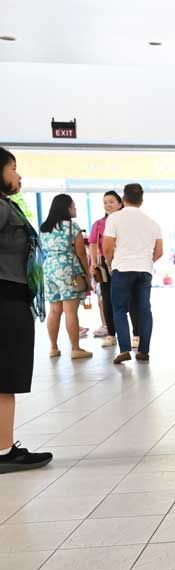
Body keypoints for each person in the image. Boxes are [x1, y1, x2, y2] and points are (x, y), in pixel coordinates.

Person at [0, 147, 53, 473]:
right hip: (6, 298)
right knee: (6, 376)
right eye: (13, 168)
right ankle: (4, 451)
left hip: (10, 296)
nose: (18, 176)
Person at [104, 183, 163, 364]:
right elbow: (159, 251)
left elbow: (107, 247)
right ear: (141, 200)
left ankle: (124, 349)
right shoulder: (152, 223)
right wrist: (145, 262)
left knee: (120, 309)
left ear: (123, 199)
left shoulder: (114, 219)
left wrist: (110, 262)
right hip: (144, 271)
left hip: (122, 269)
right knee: (144, 309)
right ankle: (144, 351)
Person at [39, 194, 93, 359]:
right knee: (70, 311)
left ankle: (53, 347)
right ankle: (75, 348)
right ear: (66, 208)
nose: (75, 209)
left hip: (49, 268)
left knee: (54, 310)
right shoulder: (71, 226)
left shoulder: (44, 227)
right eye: (73, 206)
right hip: (67, 268)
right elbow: (81, 253)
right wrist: (87, 273)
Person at [89, 190, 139, 348]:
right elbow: (93, 243)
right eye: (105, 202)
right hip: (105, 264)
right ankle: (111, 334)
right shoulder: (98, 224)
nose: (107, 205)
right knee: (107, 298)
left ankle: (136, 334)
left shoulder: (129, 222)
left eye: (111, 201)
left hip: (125, 262)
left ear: (120, 203)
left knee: (131, 299)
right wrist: (93, 264)